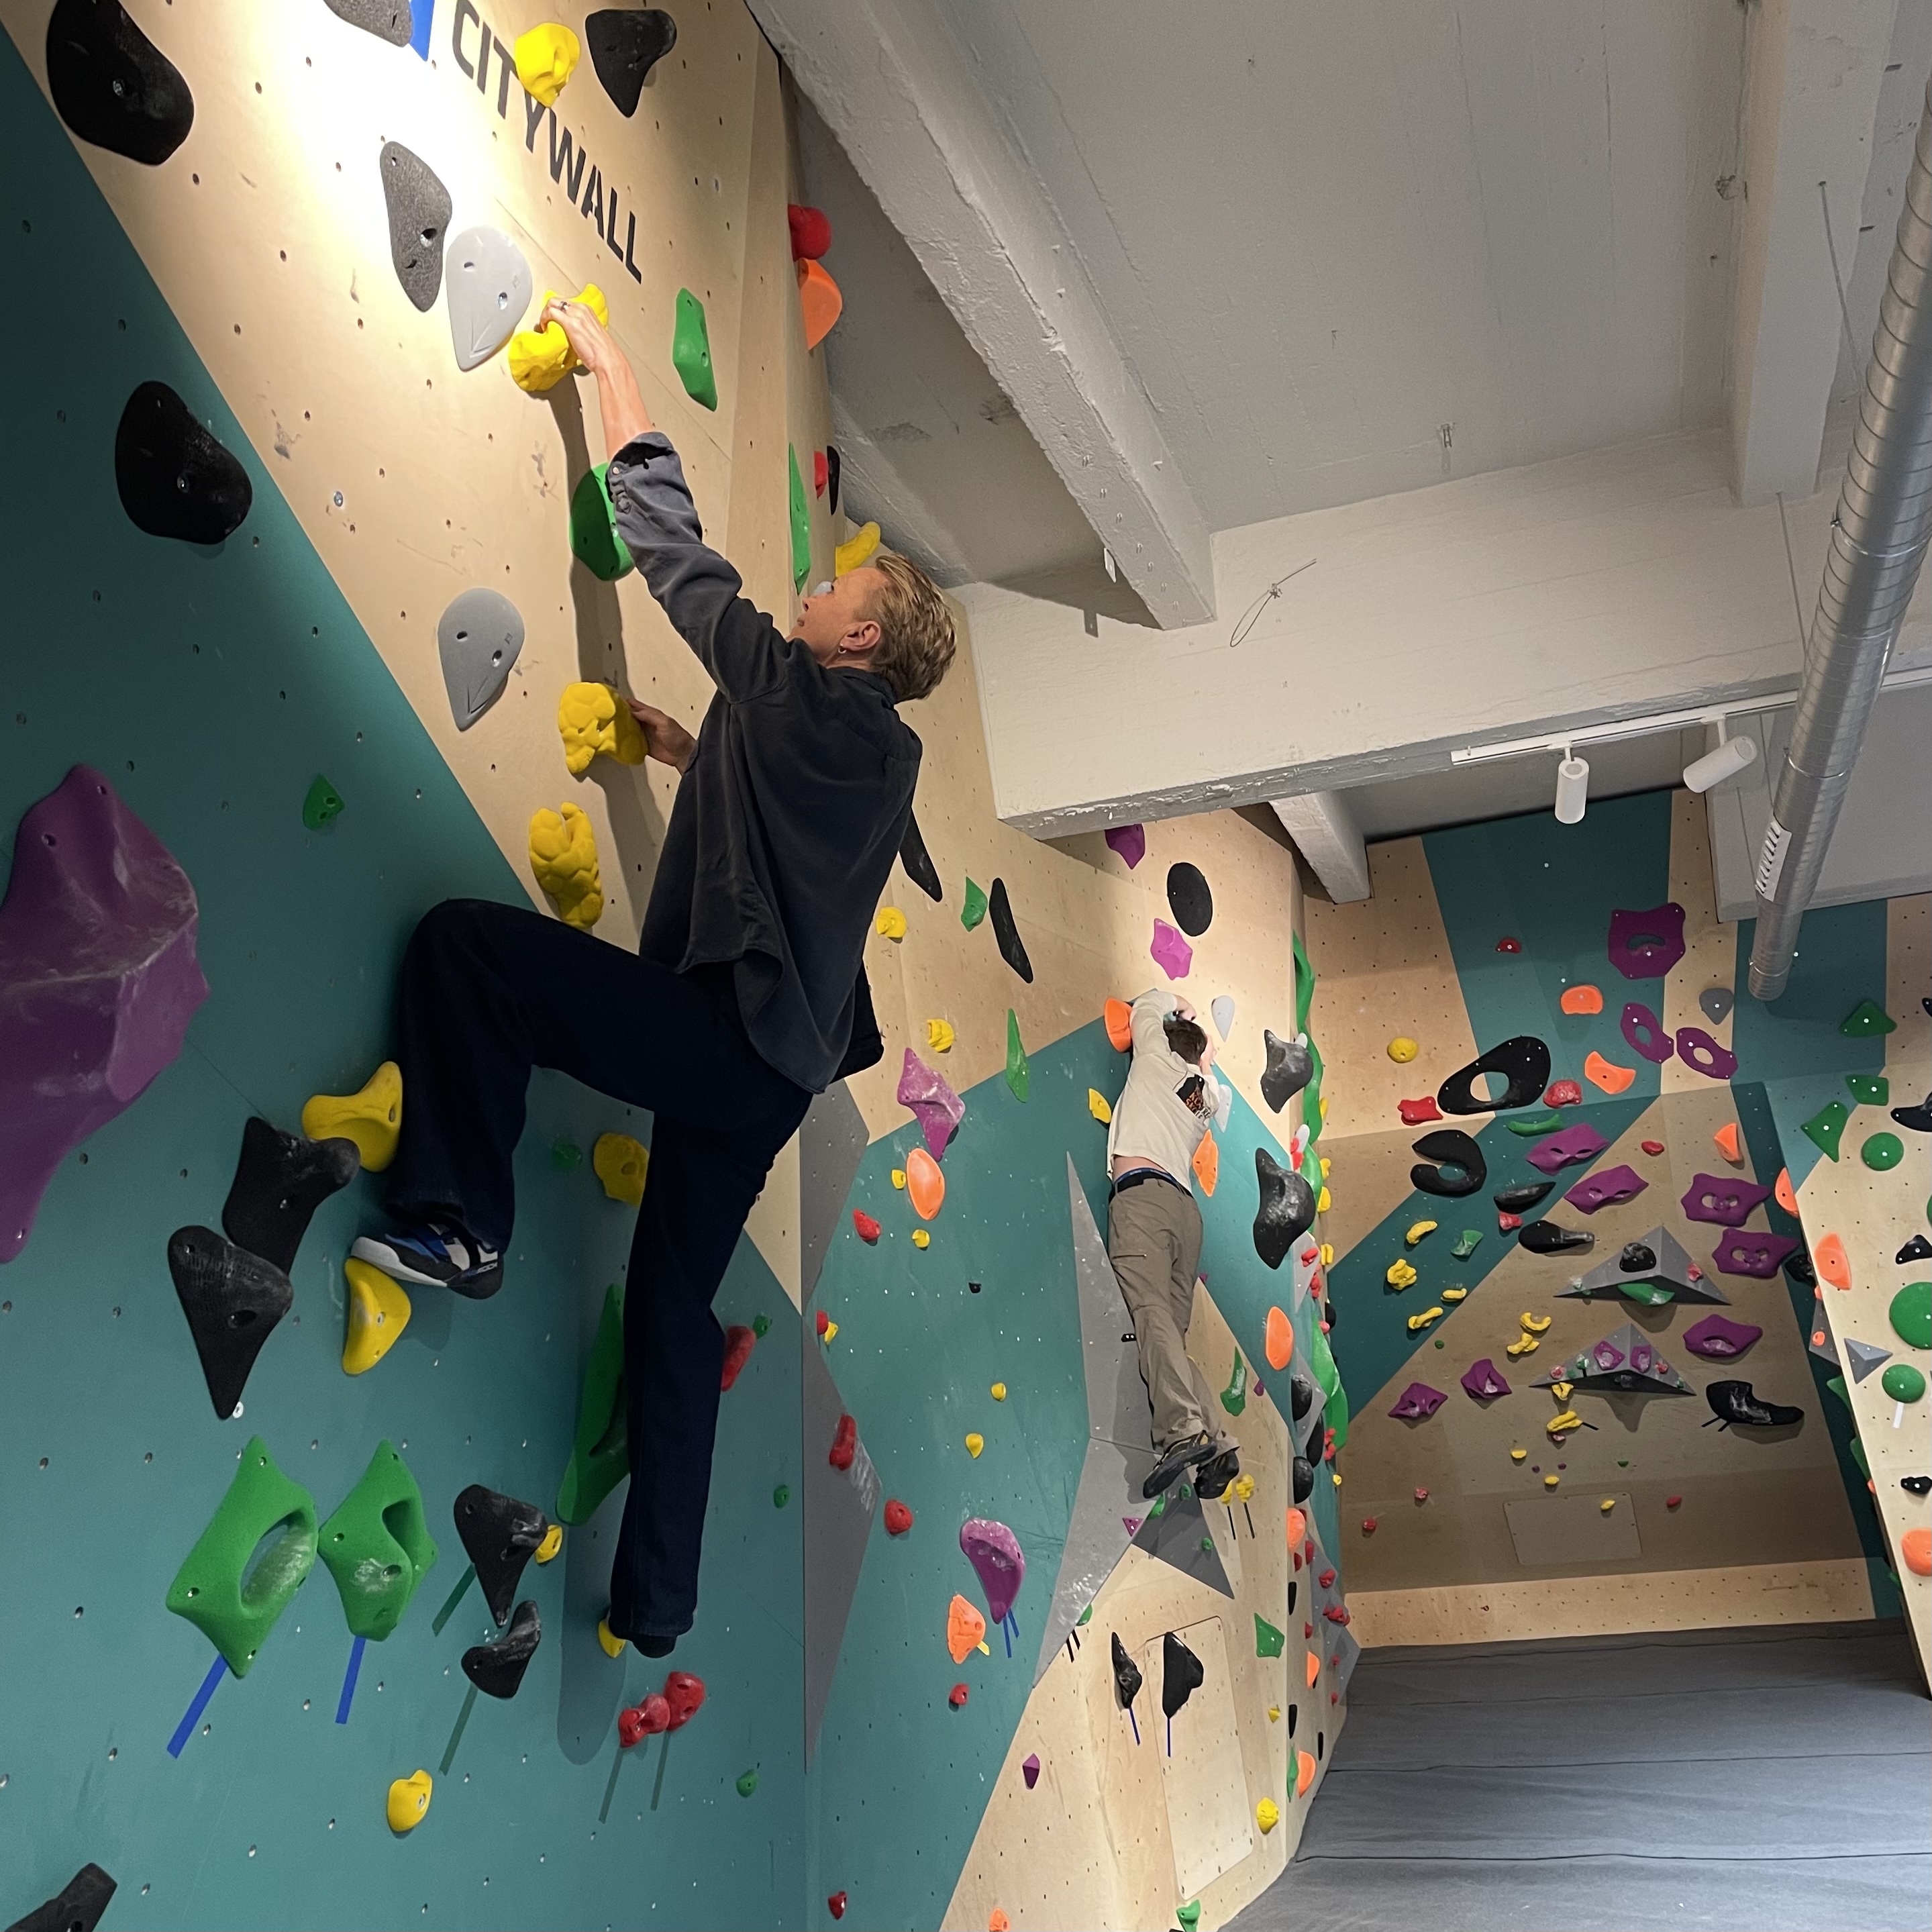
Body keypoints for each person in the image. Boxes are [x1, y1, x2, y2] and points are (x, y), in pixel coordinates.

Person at [351, 299, 957, 1656]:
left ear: (857, 642)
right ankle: (656, 1600)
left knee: (469, 947)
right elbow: (790, 842)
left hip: (724, 1040)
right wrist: (694, 750)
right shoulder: (871, 754)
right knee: (673, 1306)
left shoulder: (801, 695)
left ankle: (460, 1222)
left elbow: (675, 557)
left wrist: (612, 369)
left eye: (834, 593)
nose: (811, 592)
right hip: (772, 1076)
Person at [1105, 990, 1240, 1501]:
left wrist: (1180, 1005)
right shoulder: (1202, 1095)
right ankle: (1218, 1444)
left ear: (1166, 1041)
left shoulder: (1154, 1060)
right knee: (1168, 1338)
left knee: (1150, 1311)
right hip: (1186, 1214)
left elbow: (1148, 1003)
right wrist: (1204, 1055)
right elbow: (1206, 1074)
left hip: (1145, 1200)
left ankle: (1184, 1432)